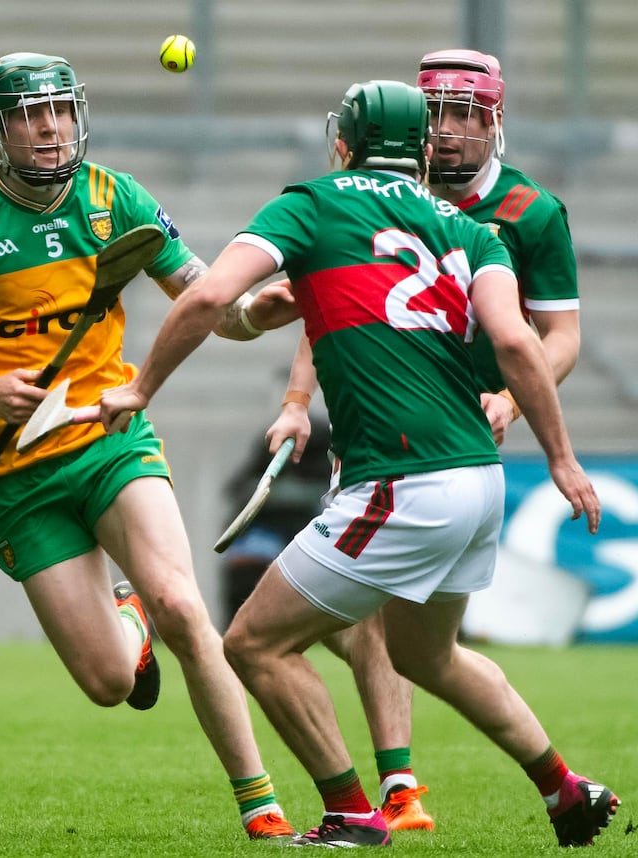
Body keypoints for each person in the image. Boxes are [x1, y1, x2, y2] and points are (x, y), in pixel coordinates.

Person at [98, 79, 619, 848]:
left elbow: (211, 300)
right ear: (419, 150)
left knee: (252, 643)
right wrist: (563, 459)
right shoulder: (472, 229)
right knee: (425, 653)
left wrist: (139, 386)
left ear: (343, 142)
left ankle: (349, 810)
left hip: (399, 482)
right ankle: (565, 789)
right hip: (479, 481)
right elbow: (516, 344)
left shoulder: (312, 202)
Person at [0, 52, 296, 841]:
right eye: (28, 115)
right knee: (108, 683)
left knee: (184, 604)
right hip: (15, 476)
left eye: (59, 111)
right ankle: (125, 624)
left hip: (110, 441)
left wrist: (254, 314)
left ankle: (262, 806)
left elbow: (206, 297)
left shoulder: (116, 197)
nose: (48, 128)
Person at [266, 48, 586, 834]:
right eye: (432, 114)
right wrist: (297, 398)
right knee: (394, 636)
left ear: (494, 123)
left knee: (289, 633)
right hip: (386, 432)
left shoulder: (530, 214)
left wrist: (514, 399)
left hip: (448, 442)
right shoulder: (381, 195)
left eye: (463, 116)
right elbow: (330, 300)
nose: (444, 133)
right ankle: (488, 784)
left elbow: (559, 336)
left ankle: (375, 799)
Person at [219, 418, 331, 626]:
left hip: (305, 532)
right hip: (265, 533)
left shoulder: (320, 445)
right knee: (245, 562)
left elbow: (325, 494)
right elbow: (238, 488)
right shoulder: (270, 452)